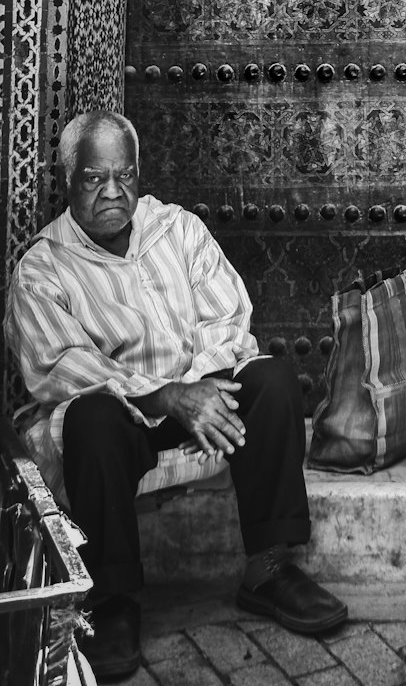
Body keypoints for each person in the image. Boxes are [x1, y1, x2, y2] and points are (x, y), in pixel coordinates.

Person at [4, 110, 347, 681]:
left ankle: (268, 568)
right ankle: (111, 602)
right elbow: (65, 370)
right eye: (94, 178)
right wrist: (167, 396)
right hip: (121, 418)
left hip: (195, 396)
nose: (114, 192)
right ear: (67, 181)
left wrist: (202, 388)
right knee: (91, 419)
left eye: (125, 175)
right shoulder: (42, 271)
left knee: (272, 382)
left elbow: (230, 319)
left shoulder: (177, 229)